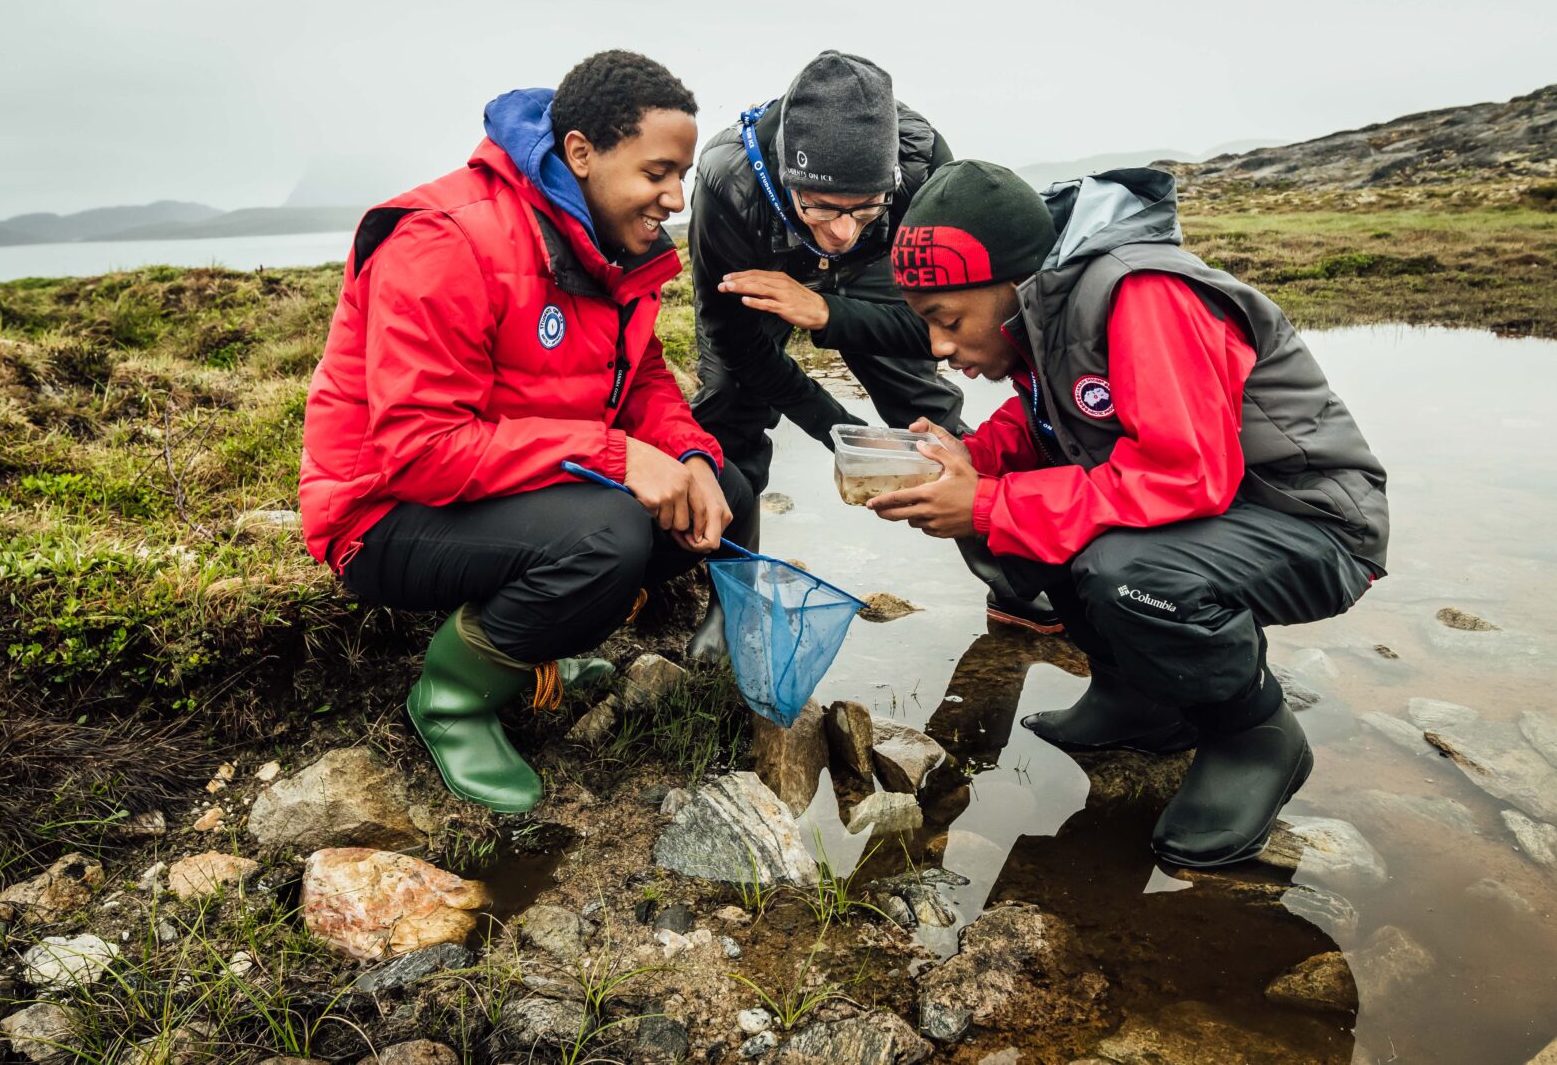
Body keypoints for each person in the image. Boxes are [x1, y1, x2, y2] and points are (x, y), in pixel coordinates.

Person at [868, 160, 1388, 867]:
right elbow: (1053, 423)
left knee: (1121, 567)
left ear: (1012, 282)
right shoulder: (1051, 305)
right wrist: (970, 460)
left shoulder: (1145, 293)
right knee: (1013, 514)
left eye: (946, 320)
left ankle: (1254, 735)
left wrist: (990, 502)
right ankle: (1140, 701)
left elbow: (1185, 473)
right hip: (1221, 514)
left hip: (1311, 522)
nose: (938, 347)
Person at [299, 51, 755, 814]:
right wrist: (617, 455)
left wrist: (689, 453)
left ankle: (533, 649)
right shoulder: (442, 240)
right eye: (656, 173)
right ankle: (453, 702)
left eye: (680, 175)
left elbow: (641, 376)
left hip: (500, 484)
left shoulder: (605, 240)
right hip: (380, 511)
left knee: (717, 488)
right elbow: (421, 452)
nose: (675, 198)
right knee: (606, 537)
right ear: (580, 153)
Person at [686, 50, 1058, 655]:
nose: (842, 231)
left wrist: (828, 313)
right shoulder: (729, 181)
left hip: (875, 270)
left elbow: (941, 331)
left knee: (925, 407)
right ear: (786, 177)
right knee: (730, 406)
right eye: (820, 205)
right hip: (765, 267)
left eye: (865, 206)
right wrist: (846, 436)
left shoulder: (920, 163)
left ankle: (1011, 578)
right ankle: (731, 599)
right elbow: (737, 346)